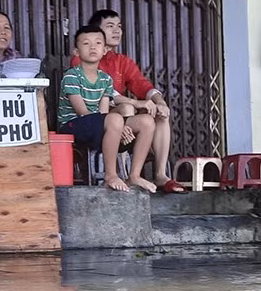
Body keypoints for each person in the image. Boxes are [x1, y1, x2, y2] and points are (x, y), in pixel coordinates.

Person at [77, 10, 186, 192]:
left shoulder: (122, 61)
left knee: (159, 115)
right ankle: (118, 172)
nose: (117, 31)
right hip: (95, 118)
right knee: (127, 108)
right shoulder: (84, 57)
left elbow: (141, 84)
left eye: (119, 26)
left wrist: (160, 101)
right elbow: (93, 94)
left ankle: (159, 174)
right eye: (110, 26)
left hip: (120, 118)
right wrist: (126, 111)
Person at [58, 26, 156, 193]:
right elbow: (82, 112)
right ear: (76, 51)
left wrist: (117, 126)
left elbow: (104, 112)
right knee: (115, 119)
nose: (92, 47)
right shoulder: (71, 76)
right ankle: (110, 174)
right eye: (86, 43)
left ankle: (134, 175)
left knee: (146, 122)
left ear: (104, 50)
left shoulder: (105, 79)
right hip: (73, 127)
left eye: (97, 43)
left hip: (97, 123)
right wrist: (116, 125)